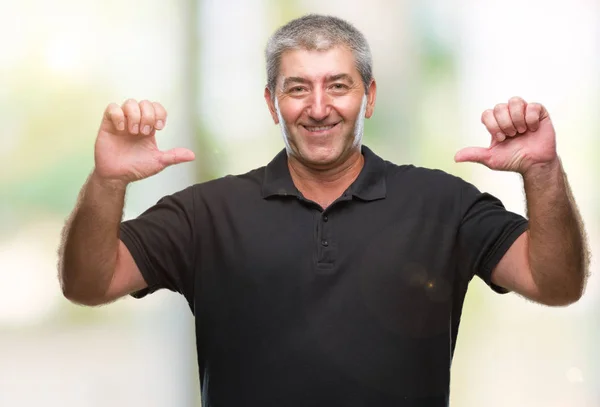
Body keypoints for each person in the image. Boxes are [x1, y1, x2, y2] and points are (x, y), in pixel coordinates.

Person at [58, 14, 589, 407]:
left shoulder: (443, 203)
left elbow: (558, 283)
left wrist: (542, 172)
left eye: (338, 86)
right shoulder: (206, 212)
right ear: (272, 103)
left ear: (369, 97)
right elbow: (88, 282)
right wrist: (108, 180)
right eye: (297, 89)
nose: (318, 108)